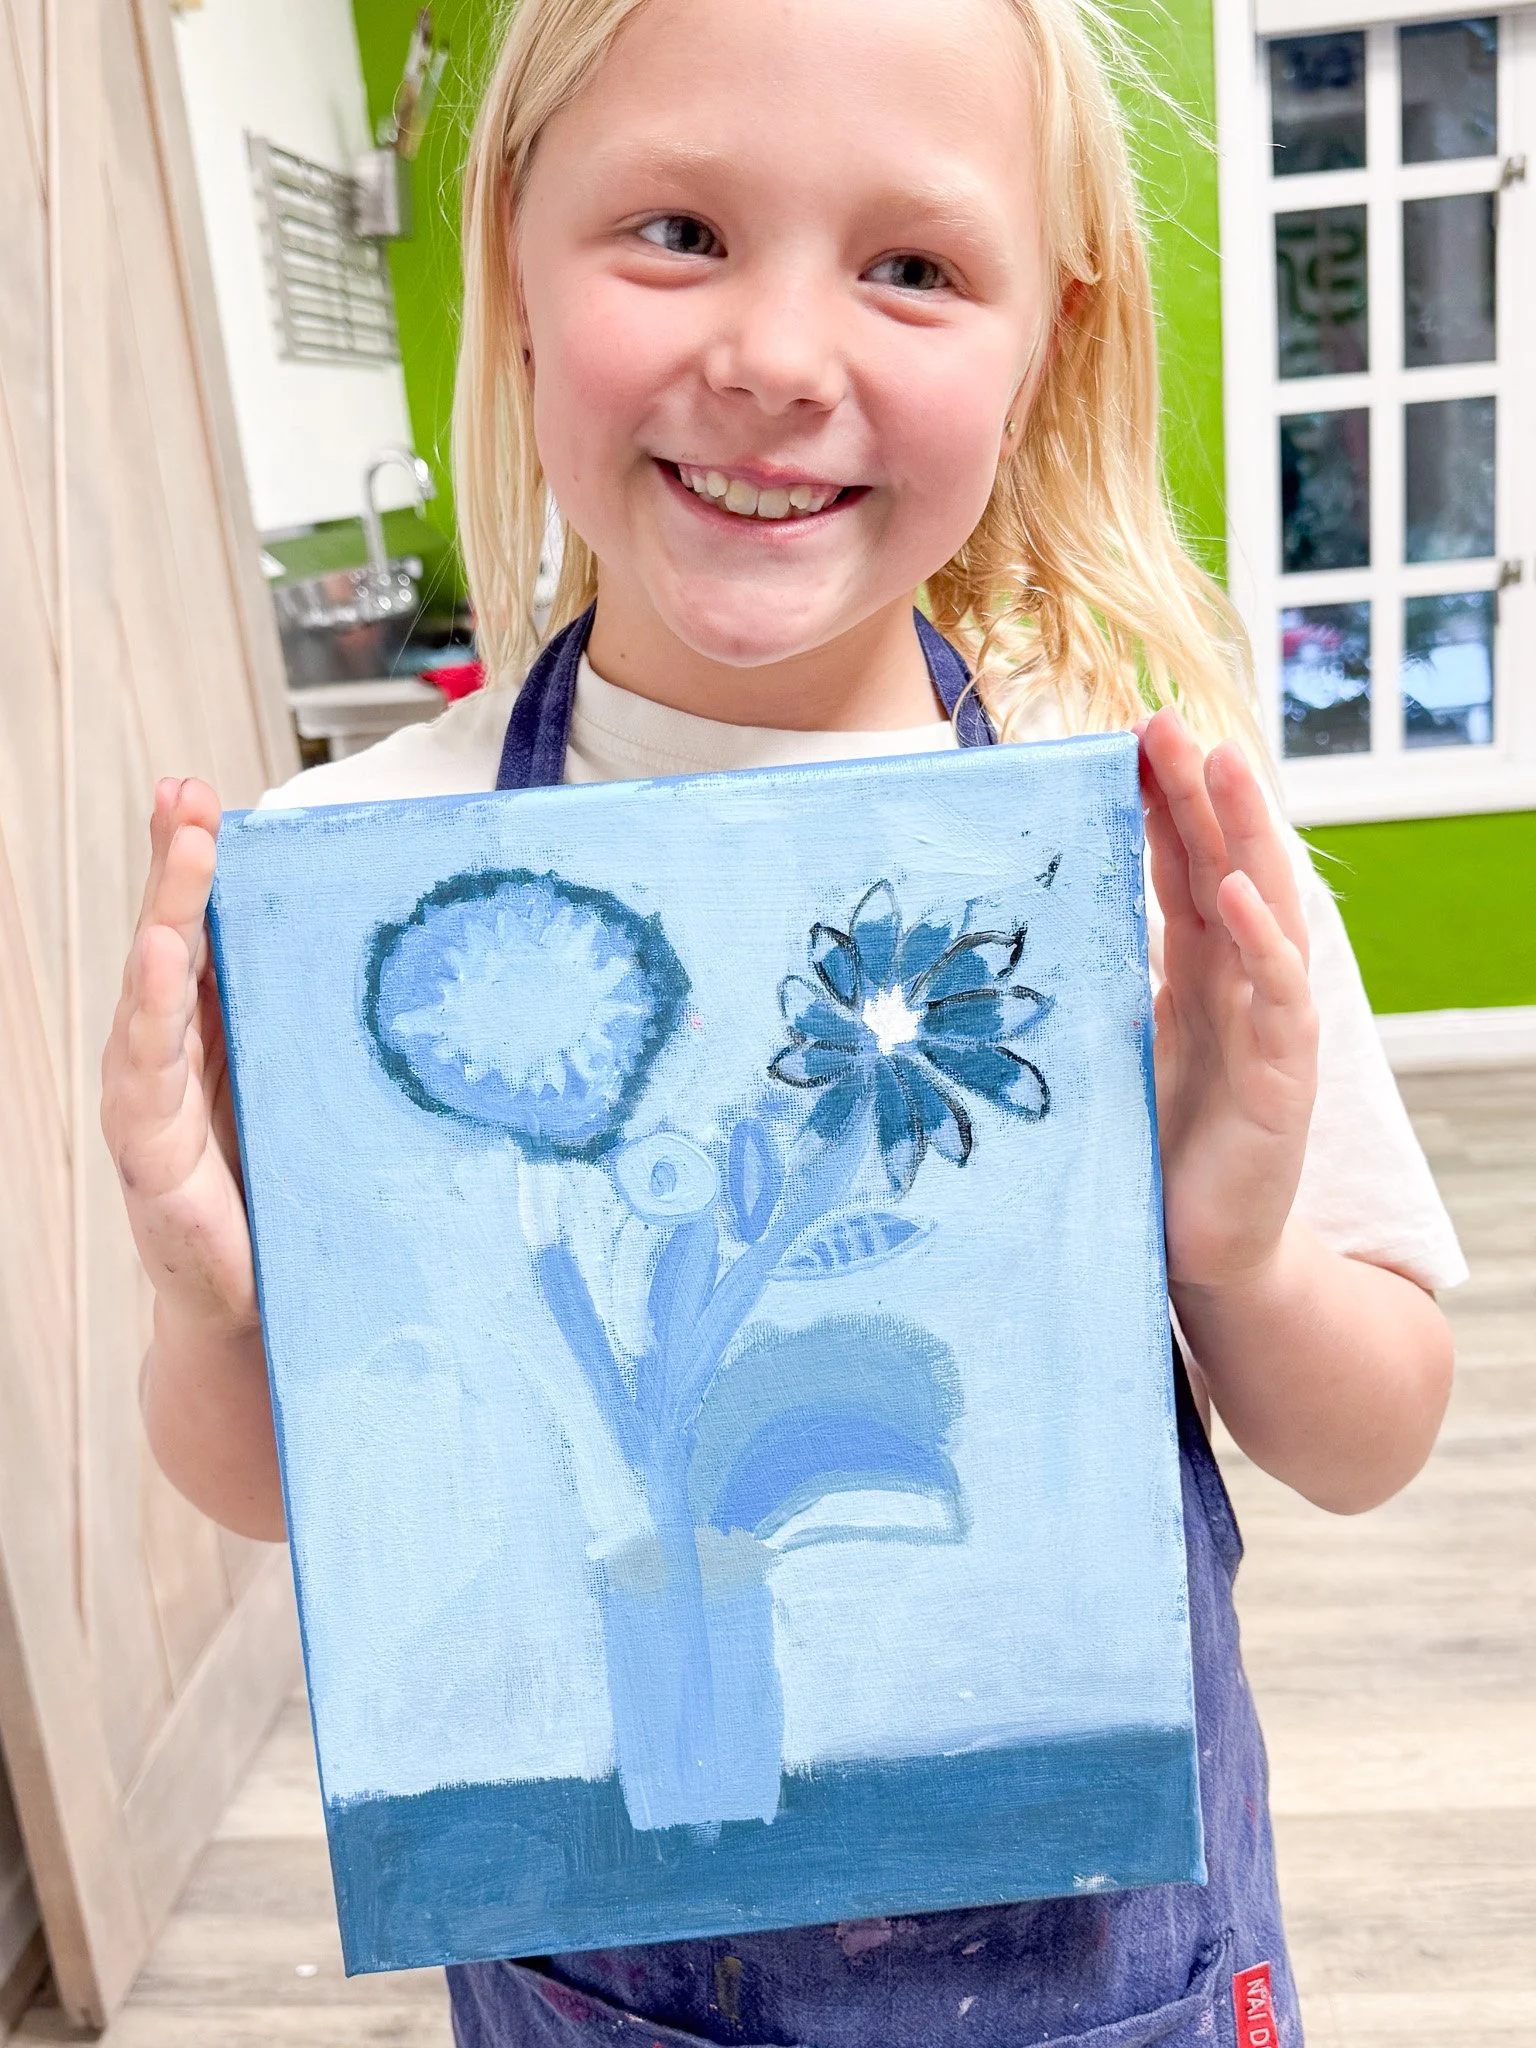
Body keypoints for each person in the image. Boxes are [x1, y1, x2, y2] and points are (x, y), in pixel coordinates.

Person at [102, 0, 1465, 2040]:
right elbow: (278, 1488)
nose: (776, 357)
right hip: (592, 1981)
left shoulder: (1156, 853)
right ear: (512, 264)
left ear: (1047, 341)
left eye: (911, 265)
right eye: (677, 232)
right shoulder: (359, 885)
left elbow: (1373, 1439)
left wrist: (1234, 1250)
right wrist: (216, 1304)